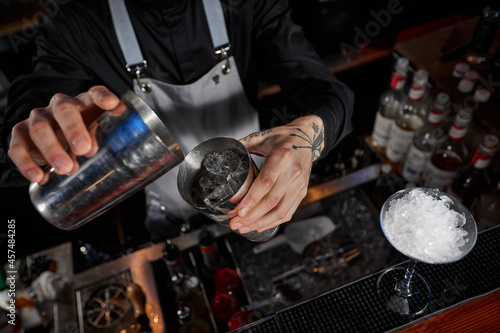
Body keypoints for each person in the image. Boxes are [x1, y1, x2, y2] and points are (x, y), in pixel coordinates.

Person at [0, 0, 354, 240]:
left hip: (256, 192)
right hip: (163, 215)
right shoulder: (75, 24)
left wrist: (308, 136)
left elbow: (328, 92)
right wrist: (36, 140)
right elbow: (20, 128)